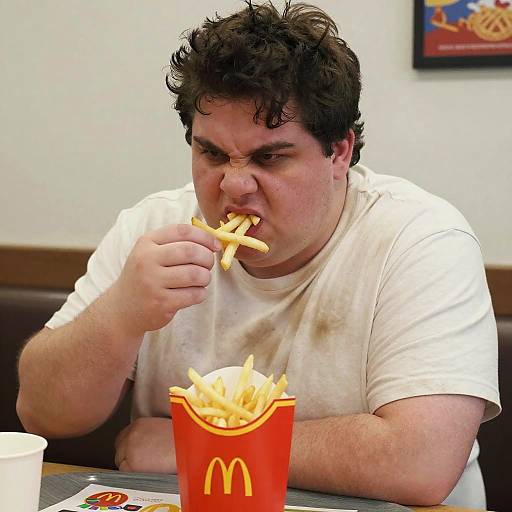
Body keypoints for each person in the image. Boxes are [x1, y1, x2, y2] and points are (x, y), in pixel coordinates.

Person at [16, 1, 499, 508]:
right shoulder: (155, 225)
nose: (235, 184)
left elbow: (420, 461)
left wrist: (196, 446)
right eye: (212, 154)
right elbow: (42, 414)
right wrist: (120, 314)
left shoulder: (420, 238)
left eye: (270, 157)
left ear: (339, 152)